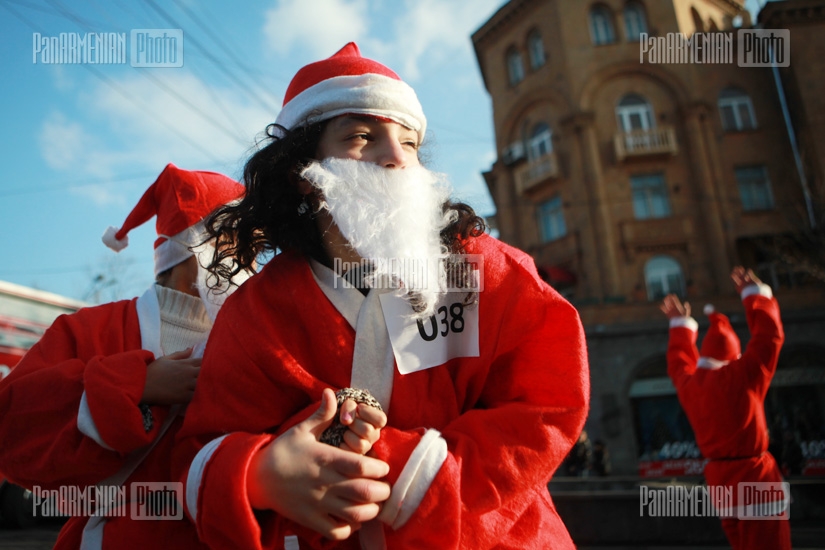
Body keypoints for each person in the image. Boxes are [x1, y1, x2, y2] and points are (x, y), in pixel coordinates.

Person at [173, 42, 590, 549]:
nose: (396, 158)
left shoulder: (482, 270)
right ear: (303, 175)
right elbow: (204, 444)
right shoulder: (258, 311)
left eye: (410, 142)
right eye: (361, 137)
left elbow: (549, 400)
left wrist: (409, 472)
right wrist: (259, 474)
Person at [0, 164, 247, 549]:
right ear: (191, 243)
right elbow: (12, 435)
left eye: (258, 245)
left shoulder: (255, 336)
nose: (251, 258)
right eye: (237, 236)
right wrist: (136, 386)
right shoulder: (89, 329)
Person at [660, 266, 791, 550]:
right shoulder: (743, 374)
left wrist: (682, 326)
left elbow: (678, 363)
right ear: (735, 355)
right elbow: (769, 338)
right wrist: (754, 296)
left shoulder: (690, 384)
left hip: (720, 481)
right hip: (755, 476)